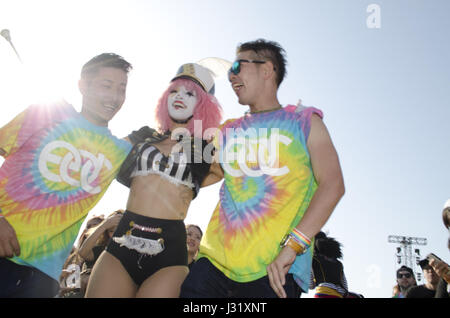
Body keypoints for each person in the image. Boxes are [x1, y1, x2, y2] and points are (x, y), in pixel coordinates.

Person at [180, 39, 345, 298]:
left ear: (267, 70)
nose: (231, 75)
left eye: (237, 66)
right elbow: (191, 175)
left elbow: (333, 185)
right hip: (211, 268)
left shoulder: (305, 121)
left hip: (275, 272)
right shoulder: (225, 130)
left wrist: (293, 247)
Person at [0, 53, 133, 297]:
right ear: (83, 85)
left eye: (122, 89)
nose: (114, 97)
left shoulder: (121, 151)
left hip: (43, 277)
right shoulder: (47, 112)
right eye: (107, 85)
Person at [85, 62, 223, 298]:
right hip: (122, 241)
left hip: (170, 254)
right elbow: (102, 152)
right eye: (174, 91)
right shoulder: (143, 136)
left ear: (202, 104)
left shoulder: (205, 151)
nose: (180, 98)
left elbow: (235, 173)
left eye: (190, 94)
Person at [310, 232, 348, 298]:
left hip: (323, 293)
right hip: (338, 295)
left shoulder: (313, 260)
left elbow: (311, 285)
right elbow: (345, 286)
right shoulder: (339, 264)